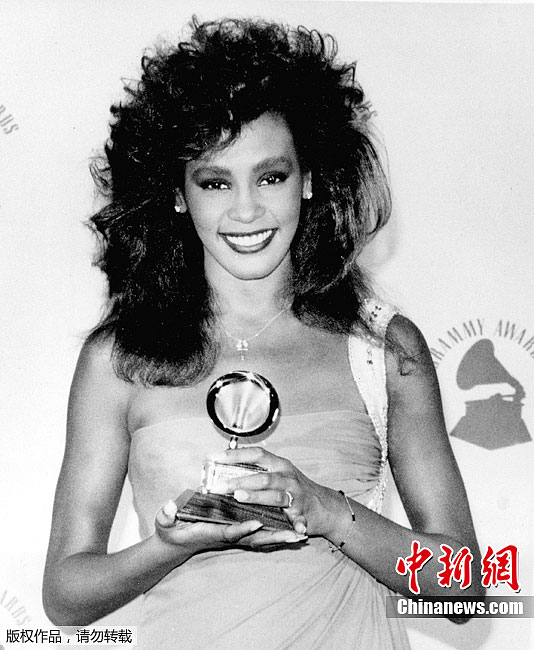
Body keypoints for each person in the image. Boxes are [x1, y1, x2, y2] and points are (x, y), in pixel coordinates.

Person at [43, 17, 484, 649]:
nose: (246, 210)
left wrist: (327, 511)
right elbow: (64, 596)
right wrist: (170, 545)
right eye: (215, 182)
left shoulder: (384, 349)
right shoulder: (118, 360)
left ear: (309, 178)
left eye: (271, 176)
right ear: (178, 194)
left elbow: (470, 589)